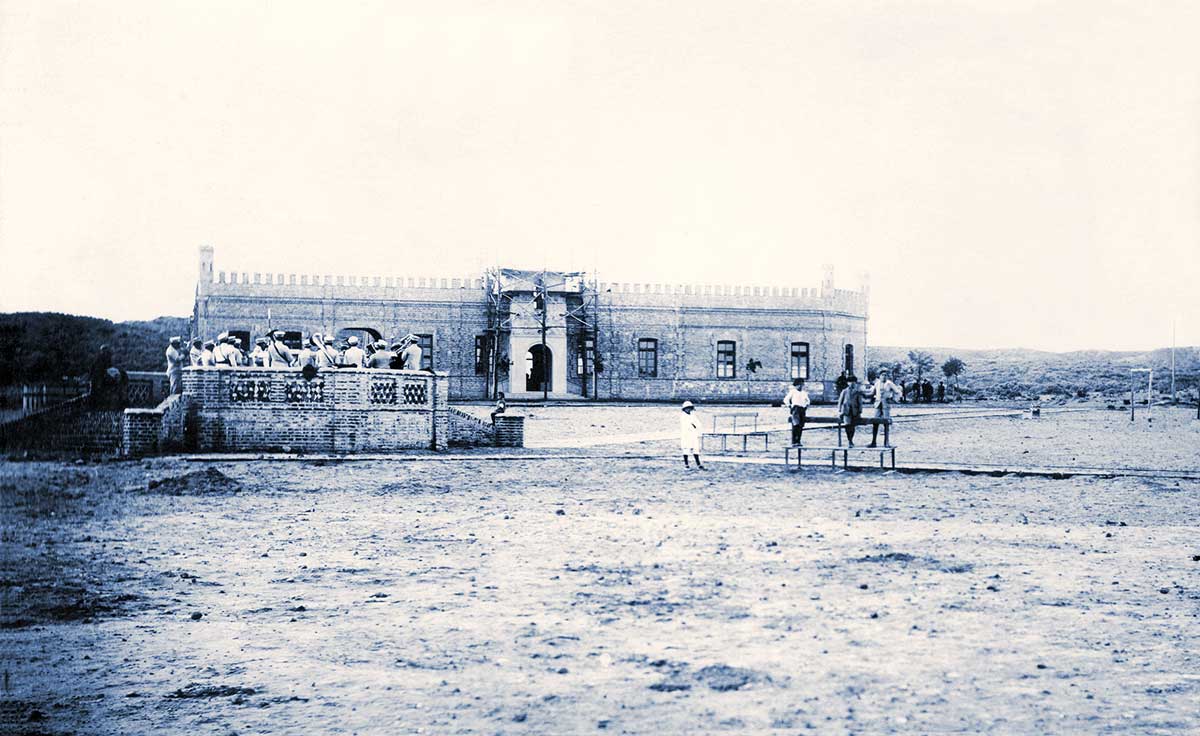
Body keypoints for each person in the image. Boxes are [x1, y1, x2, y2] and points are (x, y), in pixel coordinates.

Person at [868, 369, 901, 447]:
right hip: (878, 404)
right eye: (882, 375)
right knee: (875, 422)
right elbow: (872, 392)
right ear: (879, 376)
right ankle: (873, 442)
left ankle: (886, 442)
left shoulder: (889, 383)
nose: (884, 377)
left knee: (886, 423)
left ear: (887, 376)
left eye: (885, 375)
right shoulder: (877, 383)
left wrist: (893, 398)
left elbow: (898, 391)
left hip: (886, 404)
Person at [837, 374, 863, 446]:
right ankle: (849, 440)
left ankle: (851, 439)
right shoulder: (844, 391)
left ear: (855, 383)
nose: (851, 383)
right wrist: (839, 410)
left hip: (855, 411)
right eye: (850, 382)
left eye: (853, 382)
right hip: (846, 411)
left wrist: (860, 411)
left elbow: (860, 402)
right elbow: (840, 401)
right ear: (848, 383)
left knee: (853, 426)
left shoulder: (858, 391)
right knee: (847, 425)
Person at [783, 378, 810, 446]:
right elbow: (786, 400)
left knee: (801, 425)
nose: (800, 386)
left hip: (802, 409)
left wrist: (806, 405)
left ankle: (798, 441)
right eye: (798, 385)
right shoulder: (793, 392)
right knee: (796, 424)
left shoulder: (804, 393)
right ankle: (794, 441)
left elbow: (808, 401)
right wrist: (790, 406)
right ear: (796, 385)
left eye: (801, 385)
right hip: (796, 409)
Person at [679, 400, 706, 470]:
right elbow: (687, 426)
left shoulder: (693, 415)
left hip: (693, 434)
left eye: (690, 408)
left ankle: (698, 464)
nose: (689, 409)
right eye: (687, 408)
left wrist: (695, 426)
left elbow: (698, 424)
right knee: (686, 449)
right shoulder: (683, 416)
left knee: (695, 449)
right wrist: (694, 426)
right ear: (684, 409)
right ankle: (686, 464)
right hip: (686, 435)